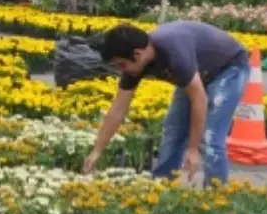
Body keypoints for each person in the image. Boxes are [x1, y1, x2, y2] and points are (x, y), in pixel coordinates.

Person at [82, 21, 250, 185]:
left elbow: (199, 100)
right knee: (173, 129)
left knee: (210, 138)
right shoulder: (135, 64)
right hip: (198, 72)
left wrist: (192, 149)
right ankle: (162, 186)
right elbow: (118, 108)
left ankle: (217, 198)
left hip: (229, 67)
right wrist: (97, 151)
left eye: (121, 65)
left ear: (137, 54)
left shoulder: (174, 55)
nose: (121, 70)